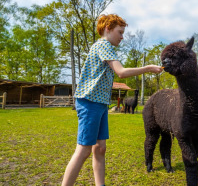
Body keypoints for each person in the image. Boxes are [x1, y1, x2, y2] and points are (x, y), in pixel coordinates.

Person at [62, 14, 163, 186]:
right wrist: (147, 68)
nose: (122, 37)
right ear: (107, 29)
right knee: (84, 150)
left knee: (100, 149)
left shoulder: (106, 47)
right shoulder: (104, 44)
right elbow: (121, 72)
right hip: (89, 102)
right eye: (120, 32)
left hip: (100, 104)